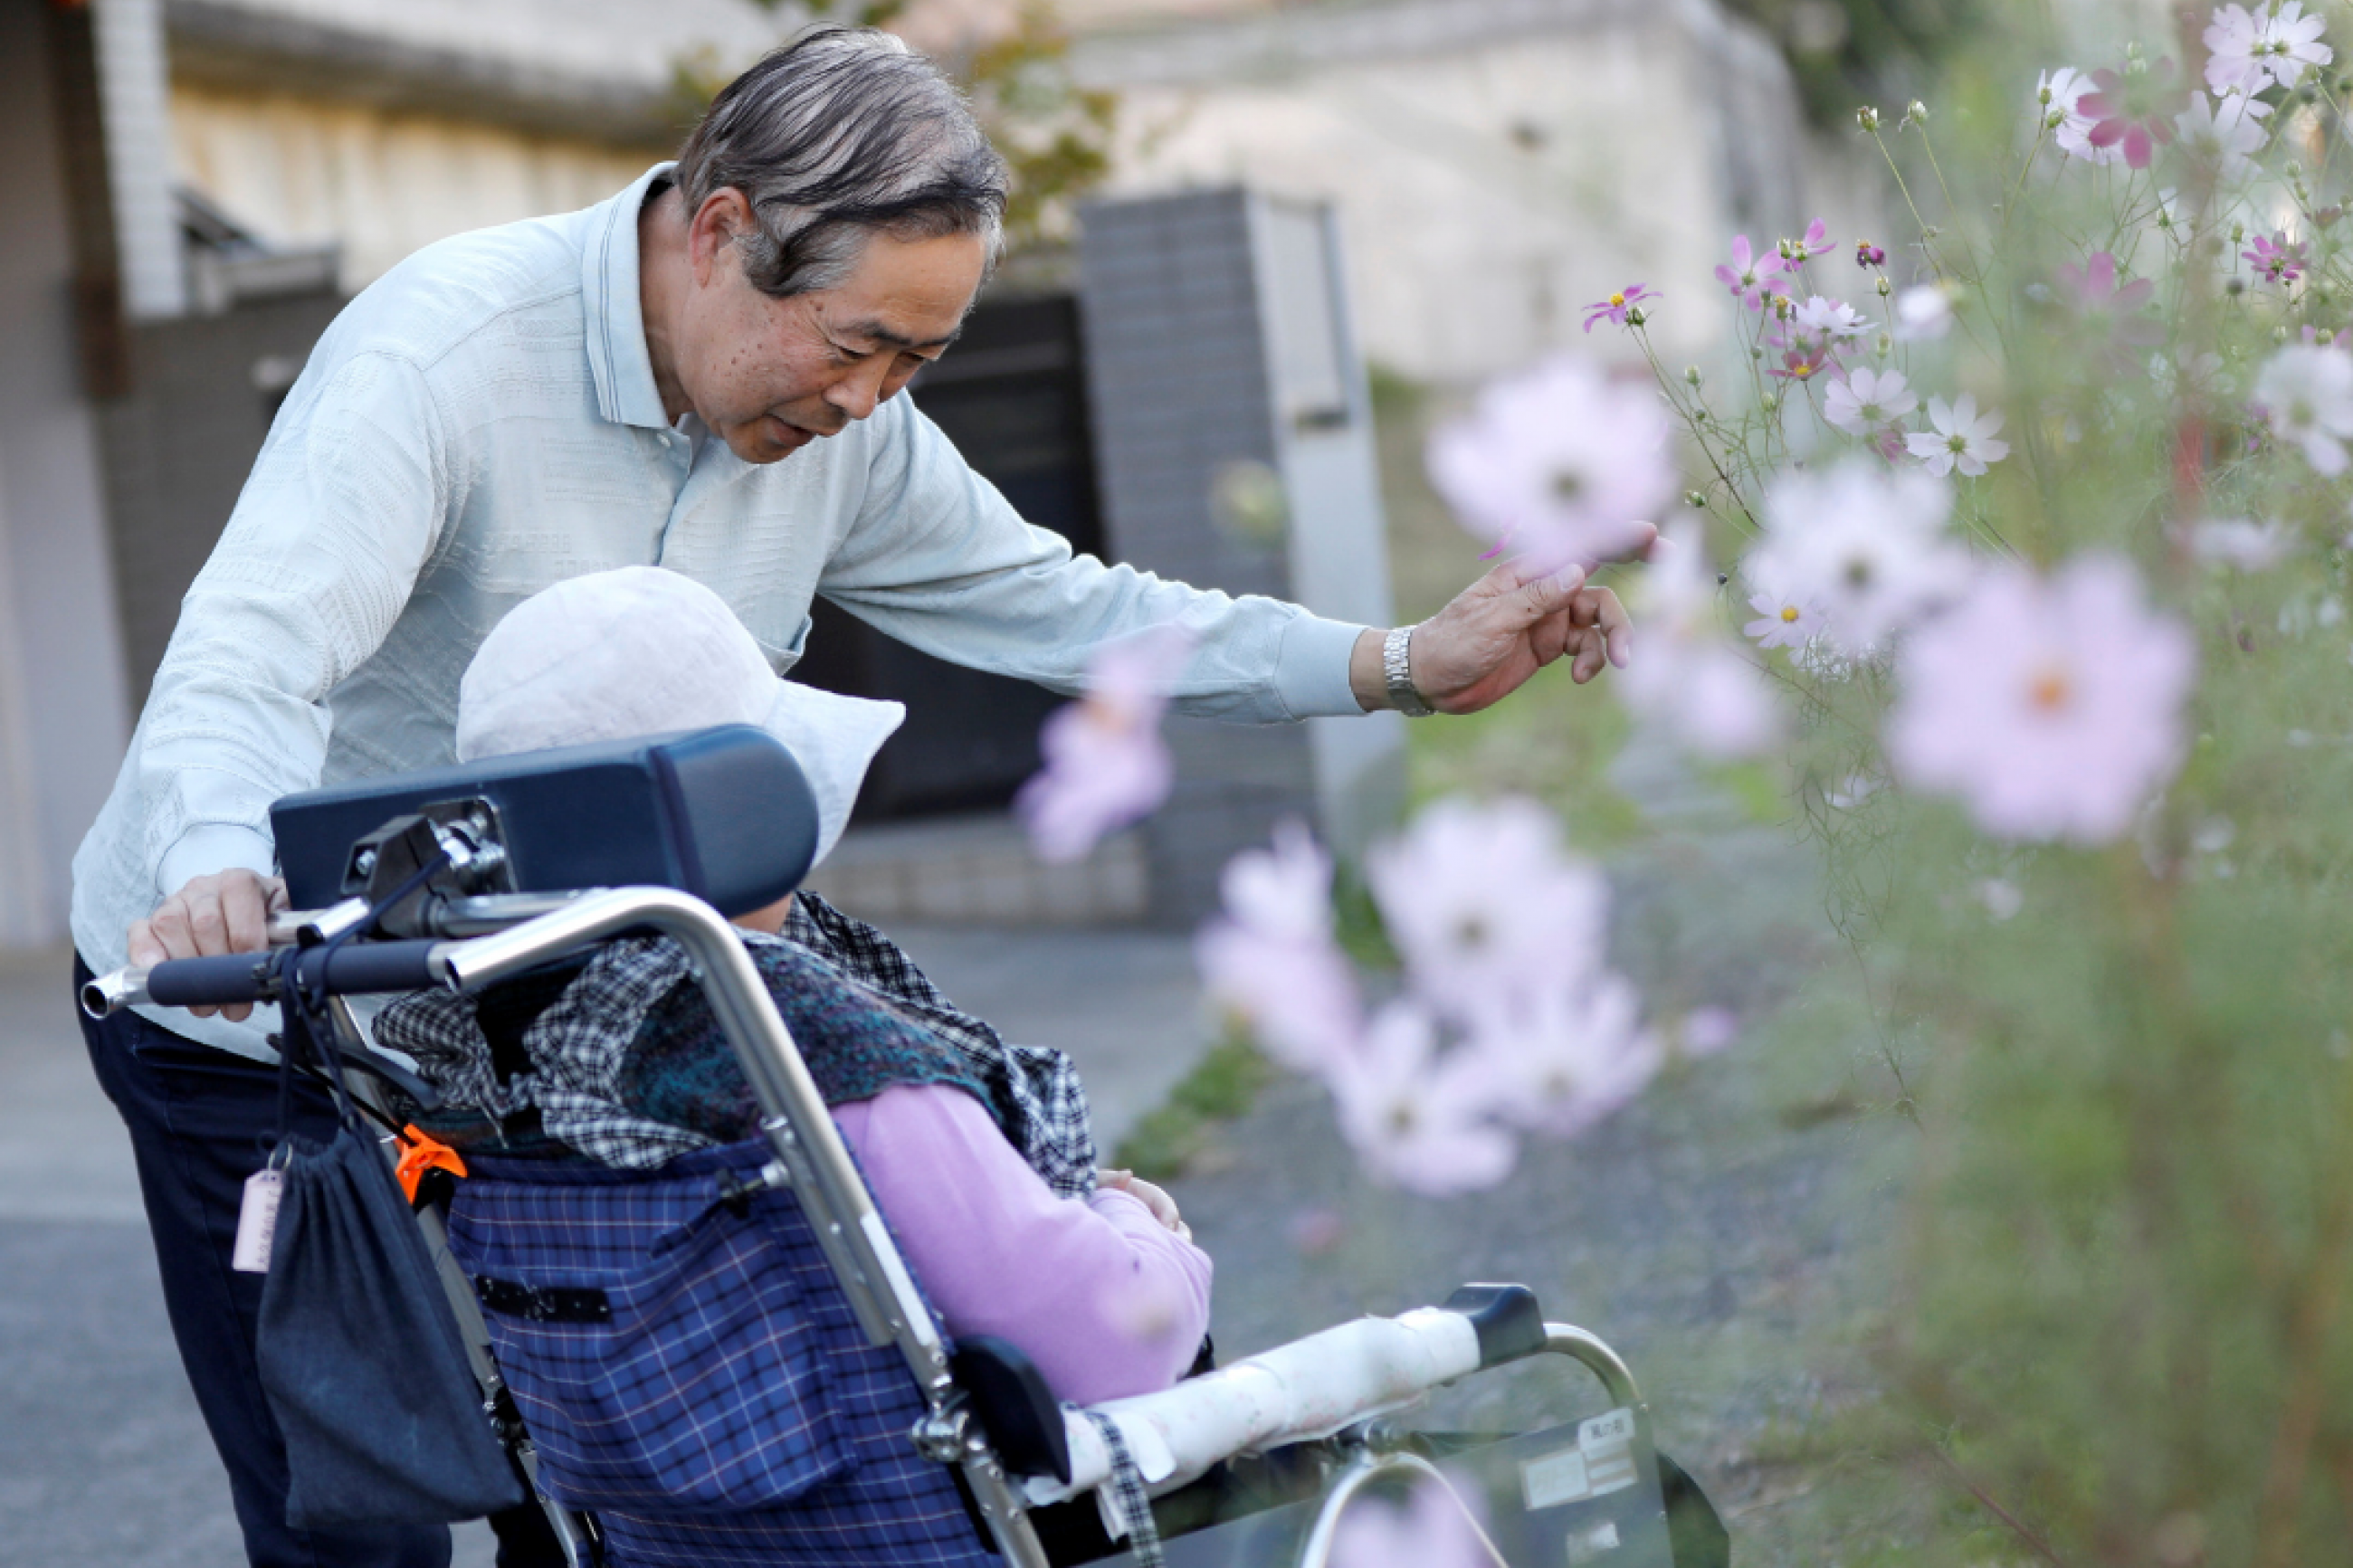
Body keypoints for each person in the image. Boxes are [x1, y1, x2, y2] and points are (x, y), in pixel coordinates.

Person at [69, 25, 1643, 1567]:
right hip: (268, 994)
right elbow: (253, 648)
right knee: (368, 1488)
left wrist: (1396, 661)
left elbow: (1068, 607)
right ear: (722, 231)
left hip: (587, 1007)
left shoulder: (848, 428)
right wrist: (217, 864)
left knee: (624, 1450)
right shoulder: (448, 352)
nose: (873, 400)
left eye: (919, 357)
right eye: (853, 343)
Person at [376, 566, 1210, 1406]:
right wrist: (1141, 1226)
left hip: (664, 1529)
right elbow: (1112, 1346)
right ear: (736, 803)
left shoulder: (482, 1048)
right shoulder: (810, 1051)